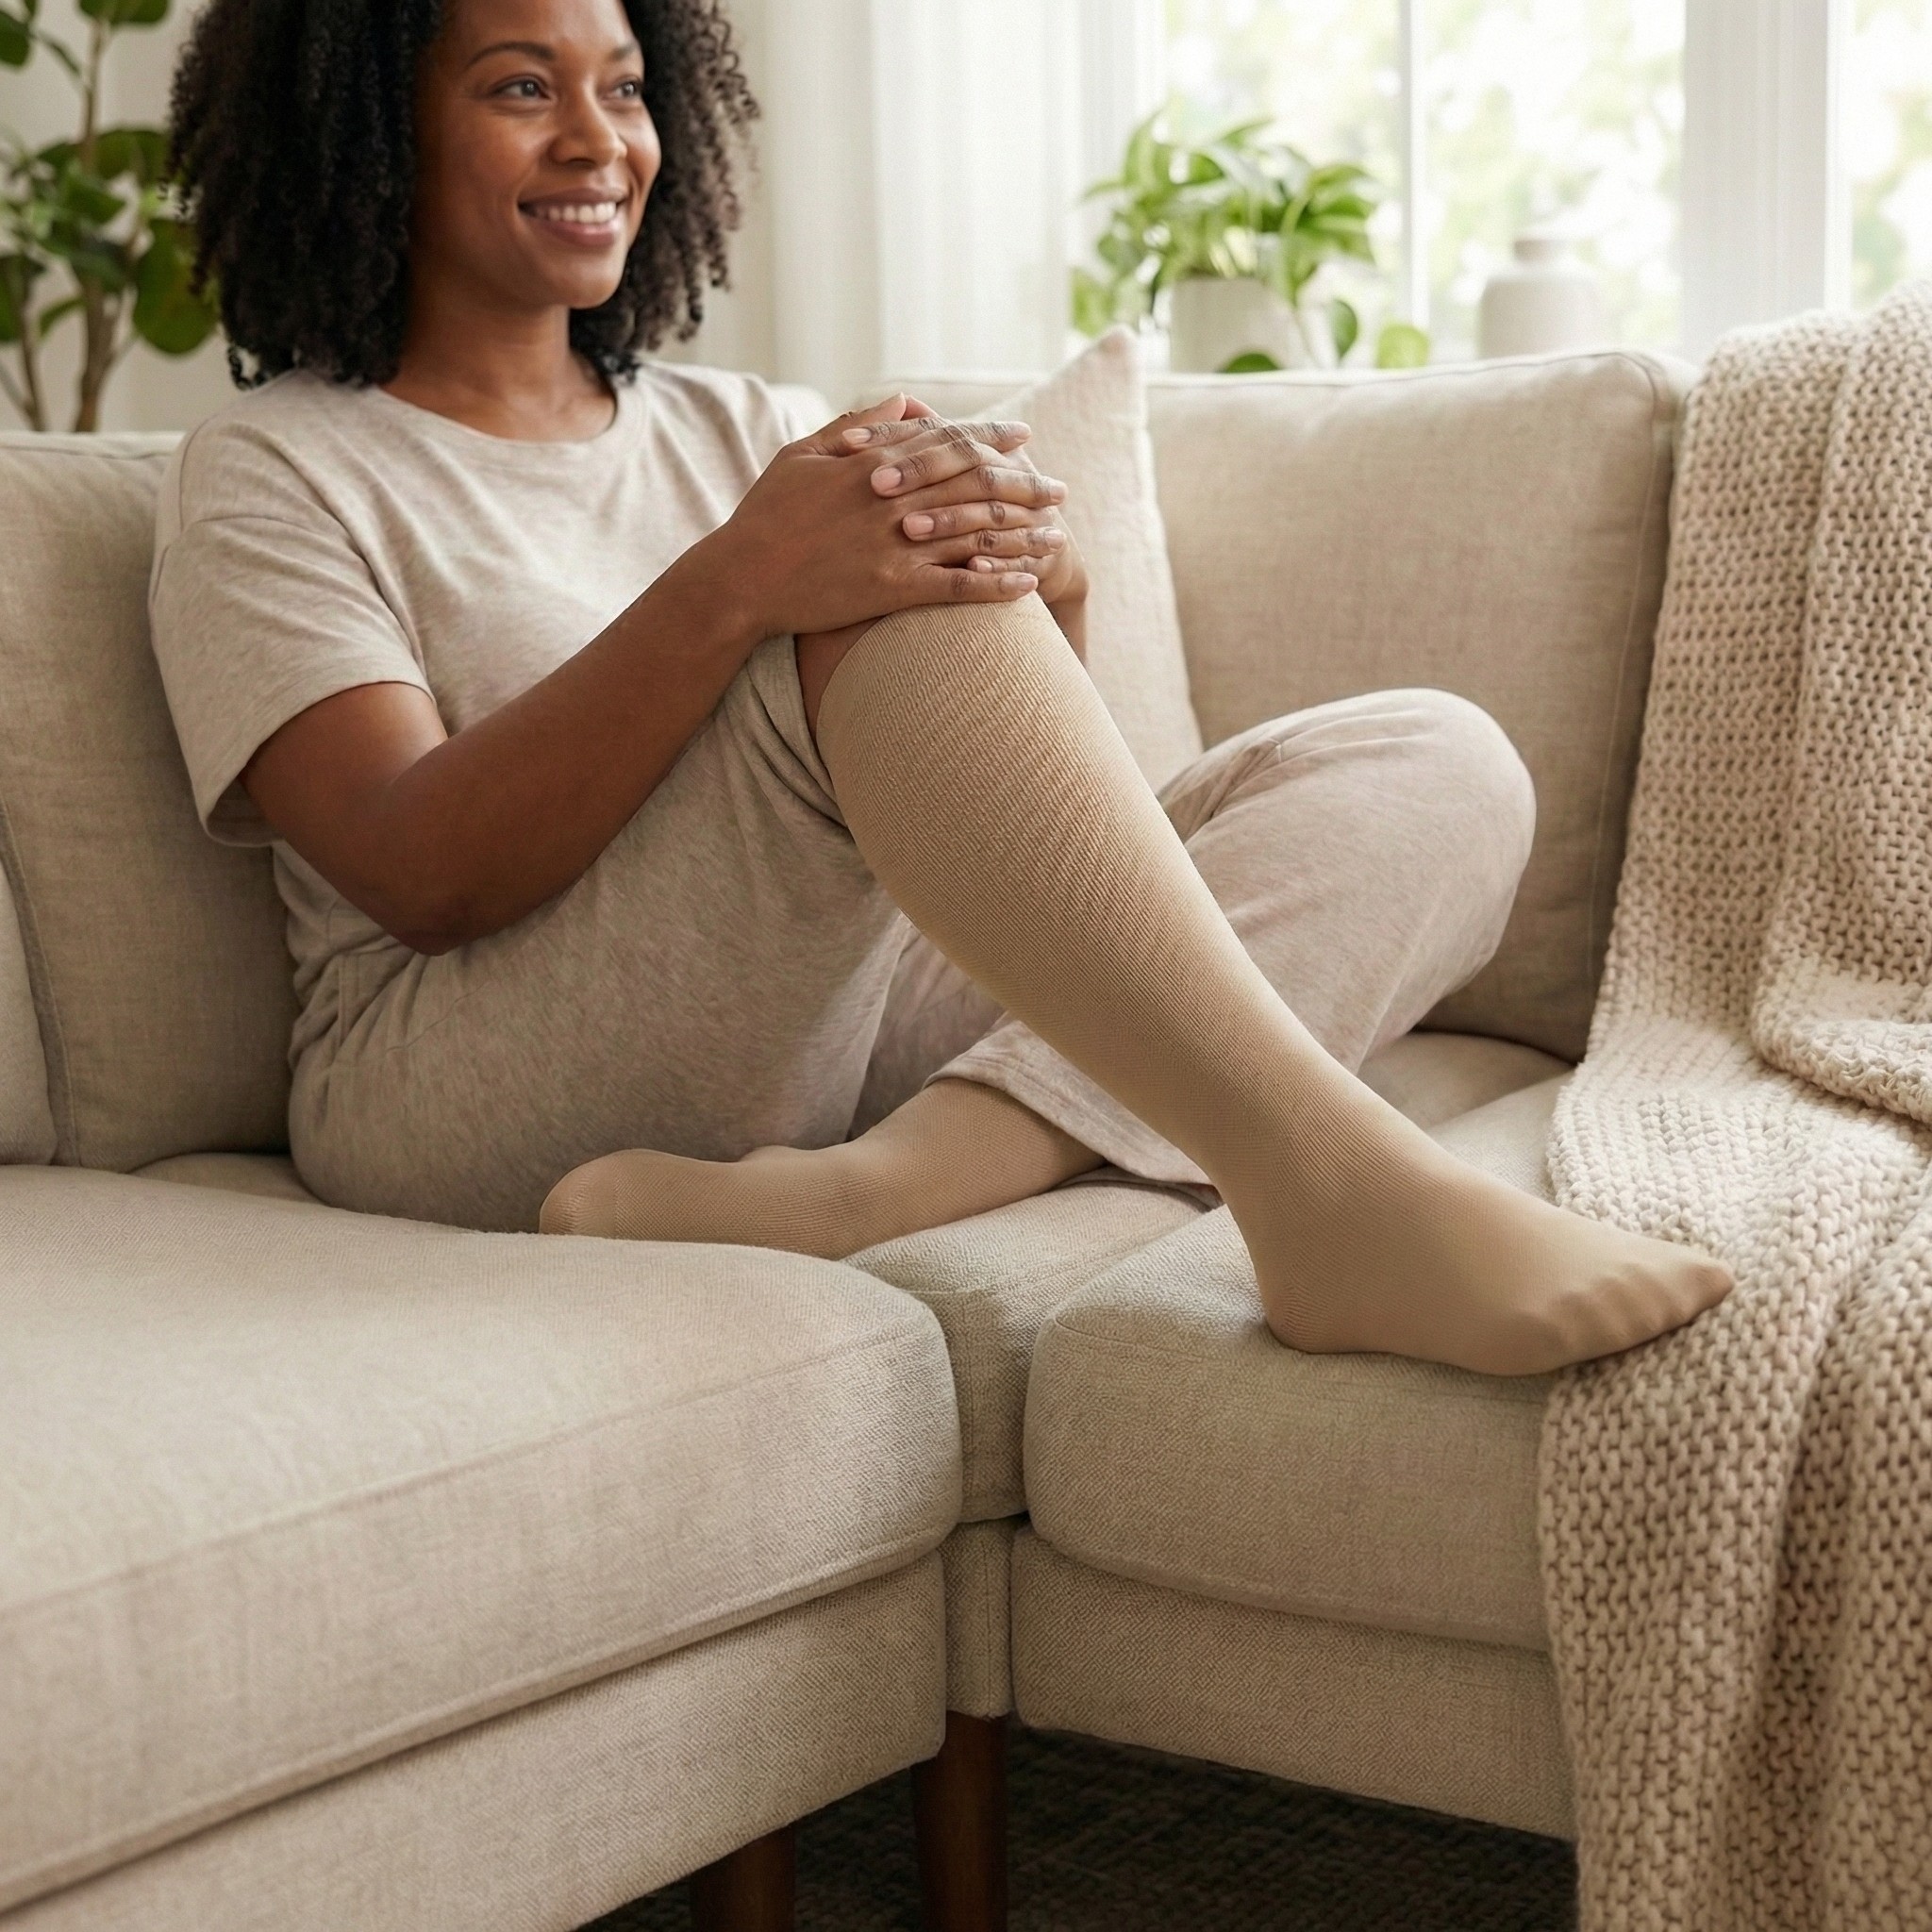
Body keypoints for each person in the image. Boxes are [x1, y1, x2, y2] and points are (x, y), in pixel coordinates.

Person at [152, 0, 1731, 1377]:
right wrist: (743, 585)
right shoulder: (278, 468)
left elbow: (1021, 845)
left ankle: (879, 1189)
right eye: (519, 87)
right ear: (360, 131)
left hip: (831, 1016)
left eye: (625, 88)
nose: (596, 140)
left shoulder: (739, 423)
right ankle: (1330, 1191)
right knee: (865, 603)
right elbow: (418, 870)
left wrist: (1049, 593)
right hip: (454, 1069)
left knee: (1439, 759)